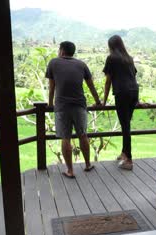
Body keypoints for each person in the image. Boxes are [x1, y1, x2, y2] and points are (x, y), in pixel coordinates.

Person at [46, 41, 101, 178]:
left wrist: (50, 104)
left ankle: (70, 170)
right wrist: (98, 101)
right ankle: (88, 165)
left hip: (62, 106)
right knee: (83, 135)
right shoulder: (81, 65)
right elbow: (91, 85)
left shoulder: (53, 63)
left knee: (66, 138)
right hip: (80, 105)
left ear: (62, 51)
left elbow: (52, 86)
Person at [102, 35, 142, 170]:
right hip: (133, 93)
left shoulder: (111, 58)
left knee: (125, 127)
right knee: (126, 124)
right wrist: (138, 100)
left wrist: (104, 101)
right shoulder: (129, 58)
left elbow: (108, 81)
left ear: (111, 46)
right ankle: (124, 153)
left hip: (122, 93)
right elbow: (133, 78)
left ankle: (129, 160)